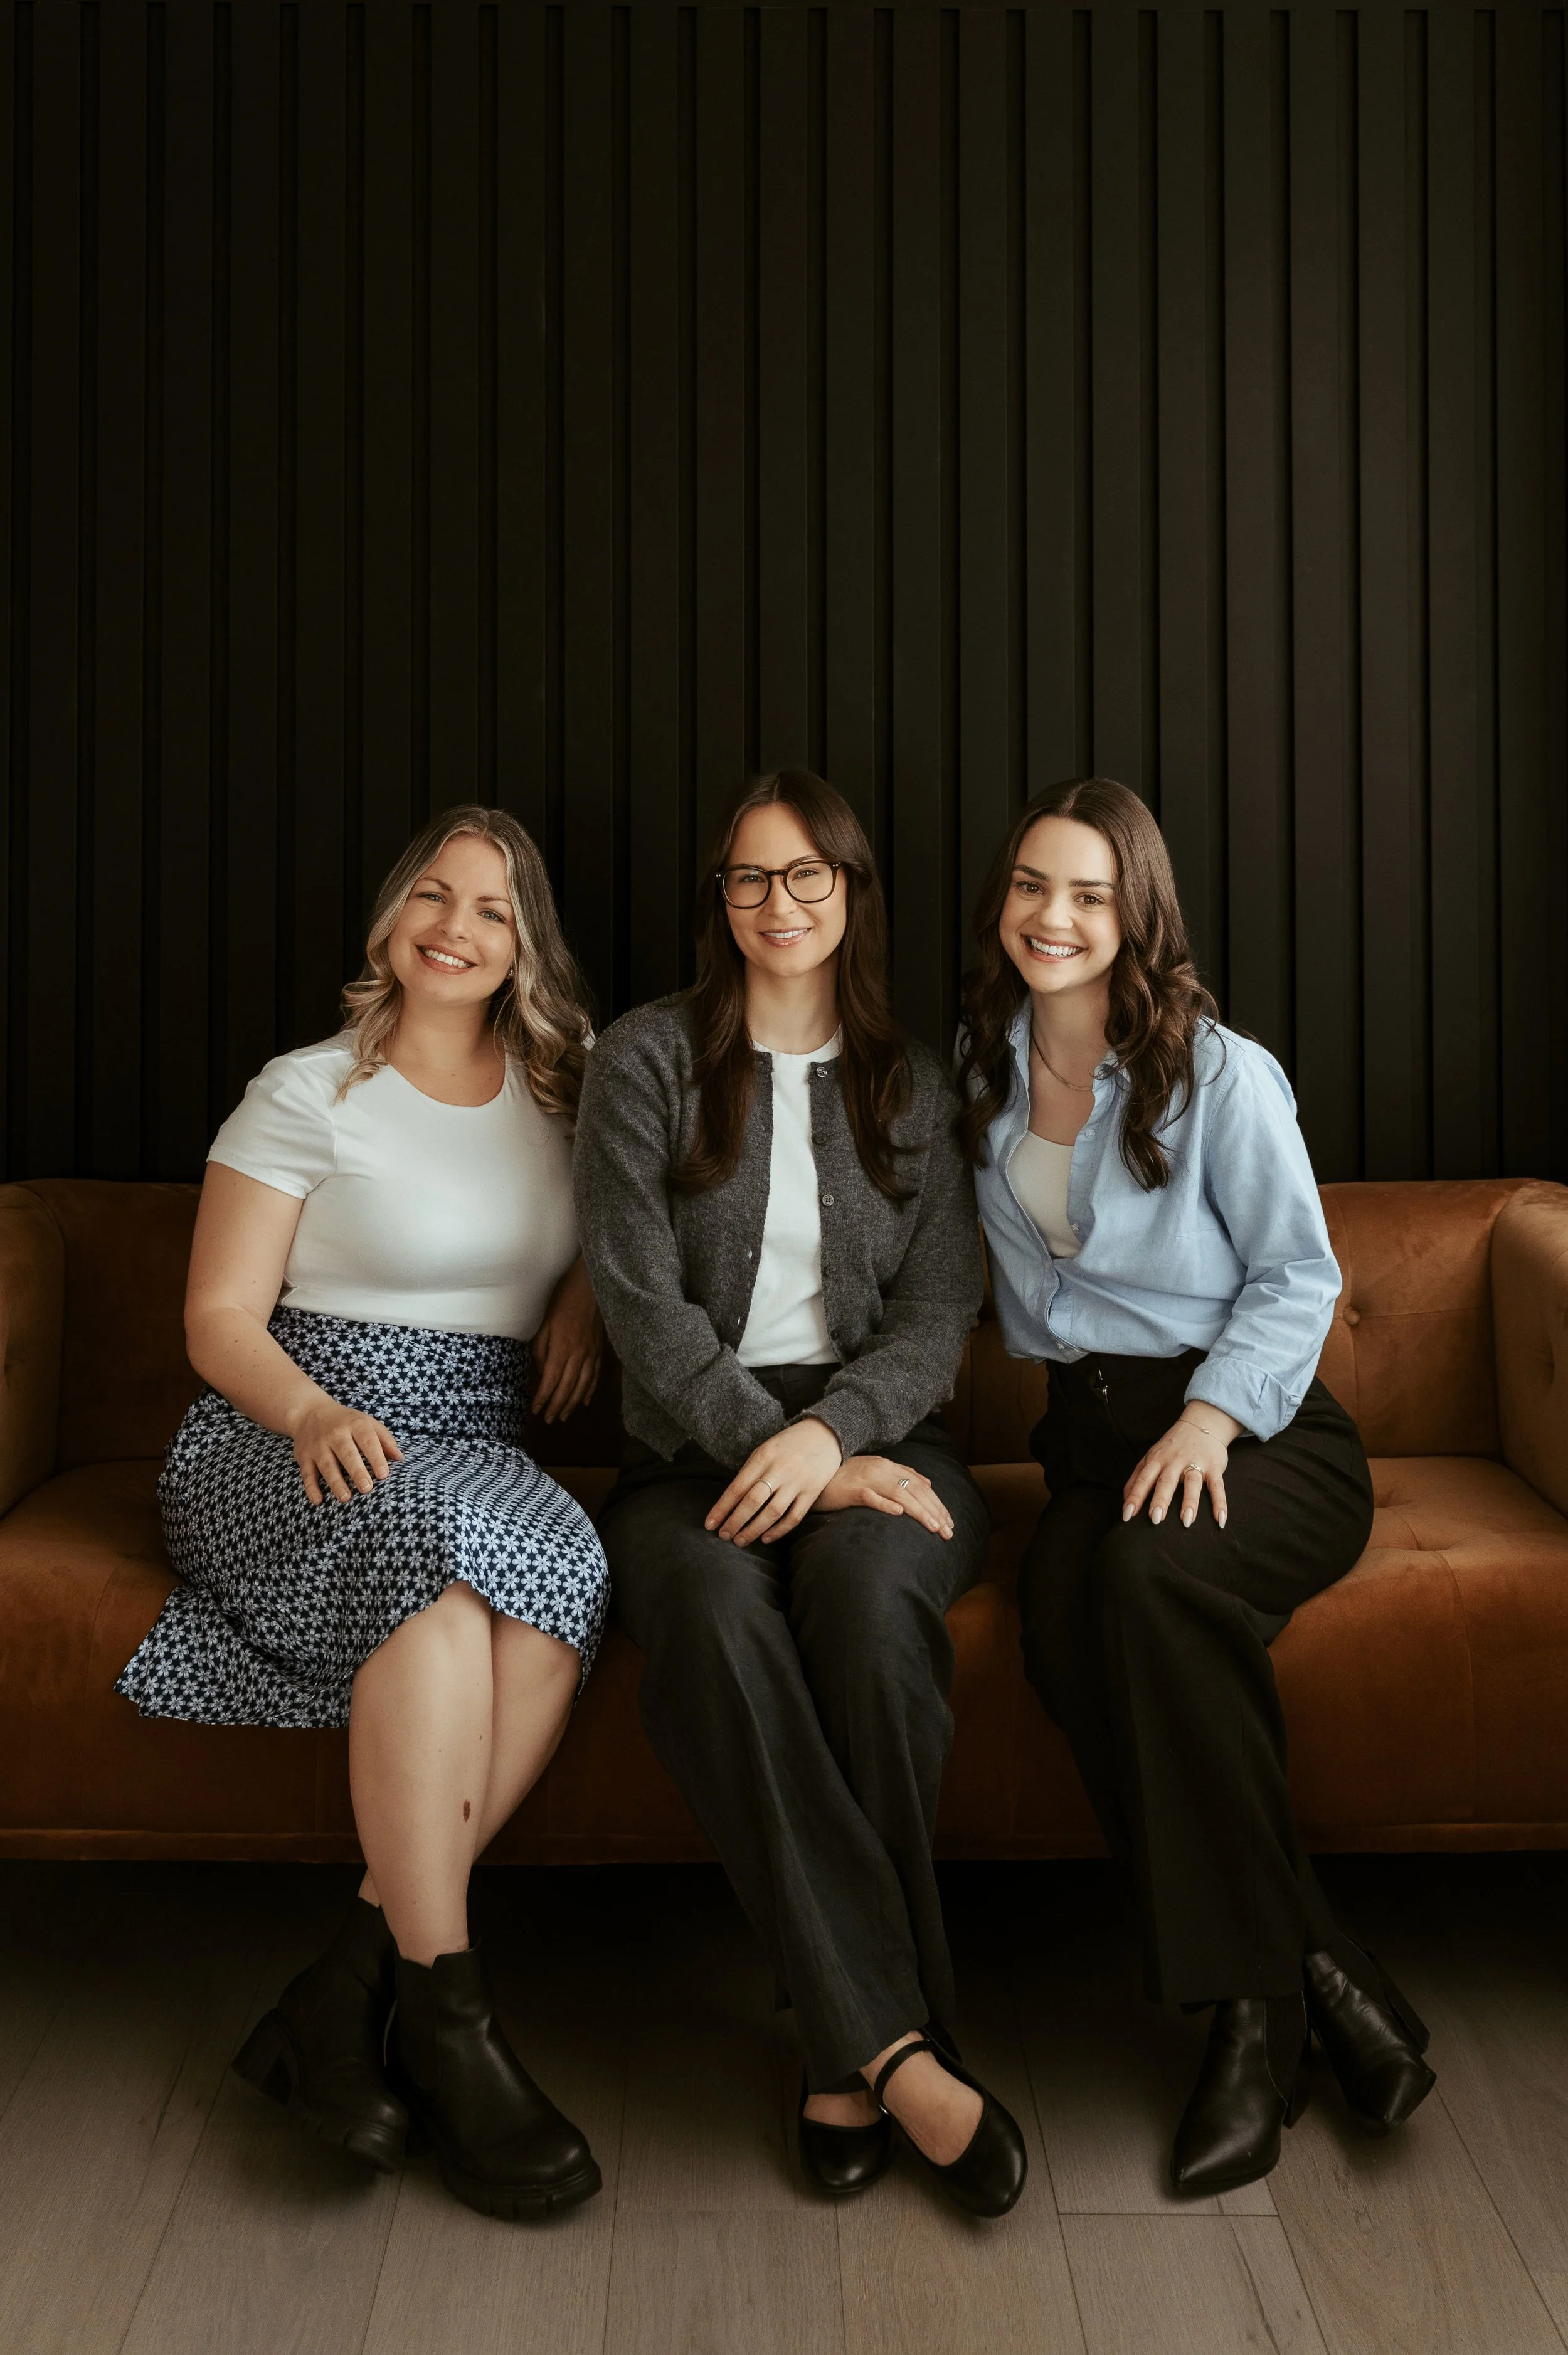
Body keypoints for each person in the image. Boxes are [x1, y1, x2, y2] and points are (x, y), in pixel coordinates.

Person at [117, 807, 611, 2222]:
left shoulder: (563, 1087)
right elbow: (217, 1317)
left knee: (560, 1576)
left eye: (494, 909)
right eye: (433, 897)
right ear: (393, 914)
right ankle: (451, 2023)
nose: (456, 926)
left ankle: (348, 1984)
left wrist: (583, 1295)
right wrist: (312, 1412)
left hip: (476, 1432)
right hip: (289, 1427)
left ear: (527, 944)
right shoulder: (305, 1090)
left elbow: (618, 1223)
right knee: (439, 1570)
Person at [959, 776, 1436, 2196]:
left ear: (1133, 914)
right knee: (1060, 1616)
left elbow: (1300, 1275)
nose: (1054, 916)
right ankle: (1318, 1961)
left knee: (1146, 1577)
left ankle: (1248, 2021)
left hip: (1262, 1438)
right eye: (1032, 885)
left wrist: (1213, 1419)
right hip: (1095, 1449)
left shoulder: (1215, 1070)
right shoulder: (975, 1071)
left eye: (1089, 895)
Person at [574, 771, 1027, 2216]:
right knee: (708, 1613)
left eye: (807, 875)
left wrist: (829, 1443)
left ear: (851, 891)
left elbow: (941, 1300)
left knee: (873, 1609)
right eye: (749, 878)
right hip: (677, 1456)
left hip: (880, 1438)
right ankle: (895, 2045)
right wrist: (753, 1440)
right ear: (720, 899)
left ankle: (848, 2047)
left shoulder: (917, 1072)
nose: (779, 903)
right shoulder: (643, 1059)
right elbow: (639, 1305)